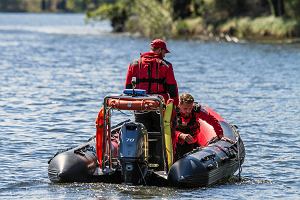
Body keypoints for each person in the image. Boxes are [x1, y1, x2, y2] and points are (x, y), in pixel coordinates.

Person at [125, 39, 179, 132]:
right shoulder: (166, 66)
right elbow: (172, 89)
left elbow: (128, 87)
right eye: (164, 52)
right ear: (159, 50)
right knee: (160, 132)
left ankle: (142, 146)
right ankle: (160, 146)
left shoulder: (134, 64)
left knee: (143, 131)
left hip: (140, 105)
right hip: (159, 105)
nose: (164, 55)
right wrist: (175, 106)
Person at [174, 93, 223, 161]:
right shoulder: (173, 112)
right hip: (175, 143)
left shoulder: (197, 110)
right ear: (179, 105)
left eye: (190, 108)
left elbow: (212, 120)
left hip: (192, 143)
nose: (188, 111)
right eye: (185, 108)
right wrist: (180, 135)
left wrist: (220, 134)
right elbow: (166, 129)